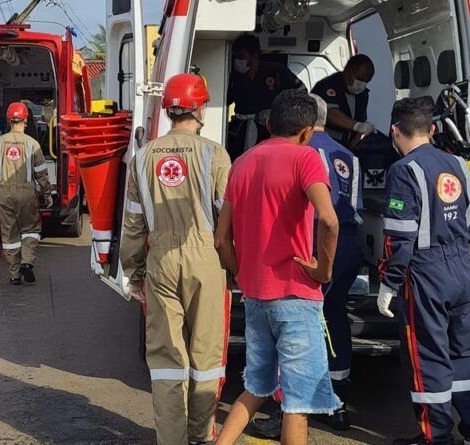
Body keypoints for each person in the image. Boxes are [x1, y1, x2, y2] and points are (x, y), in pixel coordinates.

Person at [215, 90, 341, 445]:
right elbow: (329, 221)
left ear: (268, 124)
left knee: (255, 388)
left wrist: (242, 274)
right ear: (307, 131)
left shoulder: (240, 164)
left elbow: (221, 240)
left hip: (255, 297)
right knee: (297, 402)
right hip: (297, 296)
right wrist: (323, 270)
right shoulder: (306, 159)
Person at [121, 73, 232, 445]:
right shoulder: (214, 154)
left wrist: (133, 273)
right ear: (200, 107)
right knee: (206, 357)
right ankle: (200, 436)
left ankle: (170, 440)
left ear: (169, 109)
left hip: (161, 259)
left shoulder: (143, 156)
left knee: (167, 362)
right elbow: (228, 219)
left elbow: (133, 223)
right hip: (205, 258)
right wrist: (236, 267)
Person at [250, 95, 363, 439]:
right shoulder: (349, 156)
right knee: (336, 313)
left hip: (314, 244)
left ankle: (288, 411)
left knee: (295, 330)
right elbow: (354, 208)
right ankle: (337, 397)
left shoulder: (301, 153)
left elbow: (314, 213)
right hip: (348, 243)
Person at [377, 97, 470, 445]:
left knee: (427, 355)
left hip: (427, 272)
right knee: (462, 353)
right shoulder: (457, 163)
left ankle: (435, 436)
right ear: (433, 129)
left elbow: (400, 235)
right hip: (461, 268)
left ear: (395, 131)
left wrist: (389, 283)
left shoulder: (404, 170)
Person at [0, 102, 52, 285]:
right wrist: (47, 193)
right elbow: (41, 173)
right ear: (26, 120)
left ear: (8, 119)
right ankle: (27, 263)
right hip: (26, 193)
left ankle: (14, 274)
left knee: (9, 234)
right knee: (31, 229)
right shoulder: (33, 144)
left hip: (3, 193)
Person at [227, 34, 306, 159]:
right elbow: (223, 101)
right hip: (242, 130)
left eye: (241, 57)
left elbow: (301, 94)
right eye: (235, 57)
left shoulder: (277, 72)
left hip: (271, 130)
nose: (238, 61)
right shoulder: (233, 77)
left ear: (254, 56)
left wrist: (280, 113)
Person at [311, 54, 378, 147]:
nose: (362, 84)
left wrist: (352, 149)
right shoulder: (328, 85)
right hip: (322, 143)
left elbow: (360, 124)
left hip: (345, 146)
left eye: (366, 81)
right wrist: (357, 126)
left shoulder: (363, 94)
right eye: (360, 79)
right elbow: (330, 114)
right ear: (348, 71)